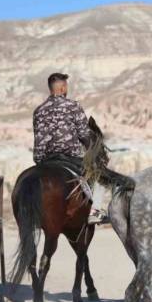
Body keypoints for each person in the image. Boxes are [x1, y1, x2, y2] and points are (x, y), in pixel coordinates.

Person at [33, 72, 111, 224]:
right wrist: (94, 152)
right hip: (70, 157)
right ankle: (94, 212)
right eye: (66, 86)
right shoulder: (73, 106)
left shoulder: (39, 110)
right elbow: (84, 135)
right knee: (99, 174)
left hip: (45, 160)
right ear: (62, 88)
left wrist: (38, 160)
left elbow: (38, 139)